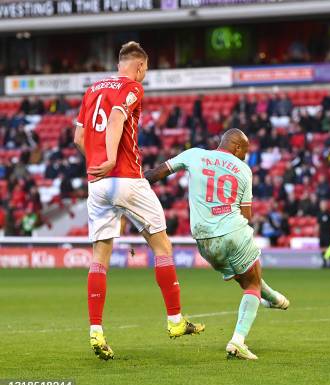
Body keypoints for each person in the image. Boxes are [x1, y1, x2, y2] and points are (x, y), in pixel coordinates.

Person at [74, 41, 203, 361]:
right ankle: (174, 320)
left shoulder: (91, 90)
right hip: (127, 179)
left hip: (97, 184)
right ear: (140, 66)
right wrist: (111, 158)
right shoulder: (133, 87)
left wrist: (97, 162)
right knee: (162, 246)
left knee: (99, 256)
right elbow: (118, 116)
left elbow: (78, 138)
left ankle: (96, 330)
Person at [144, 129, 290, 360]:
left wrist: (132, 187)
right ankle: (237, 341)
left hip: (203, 241)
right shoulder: (243, 169)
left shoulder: (194, 155)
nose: (245, 156)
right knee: (252, 284)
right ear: (237, 147)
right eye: (246, 151)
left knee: (246, 278)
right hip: (232, 231)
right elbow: (247, 214)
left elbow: (157, 173)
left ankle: (273, 299)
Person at [317, 200, 330, 268]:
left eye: (324, 204)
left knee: (329, 248)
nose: (323, 206)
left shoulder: (329, 214)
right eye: (321, 204)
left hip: (328, 233)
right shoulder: (319, 214)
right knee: (322, 248)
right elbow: (318, 224)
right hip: (321, 234)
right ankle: (324, 262)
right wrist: (316, 232)